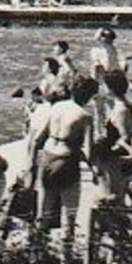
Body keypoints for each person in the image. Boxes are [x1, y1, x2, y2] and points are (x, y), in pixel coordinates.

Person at [31, 75, 96, 237]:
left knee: (43, 210)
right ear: (89, 96)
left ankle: (37, 251)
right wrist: (94, 171)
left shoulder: (57, 107)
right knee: (69, 213)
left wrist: (31, 164)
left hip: (48, 156)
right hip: (67, 160)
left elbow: (38, 138)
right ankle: (66, 258)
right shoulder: (85, 116)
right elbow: (88, 150)